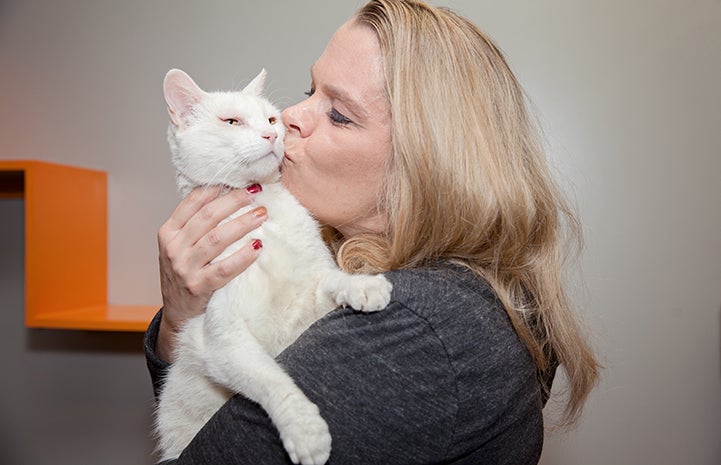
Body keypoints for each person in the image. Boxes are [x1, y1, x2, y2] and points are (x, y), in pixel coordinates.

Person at [145, 0, 601, 463]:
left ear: (425, 165)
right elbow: (211, 428)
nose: (287, 117)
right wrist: (182, 320)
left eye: (339, 113)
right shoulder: (394, 280)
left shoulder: (413, 330)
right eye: (310, 89)